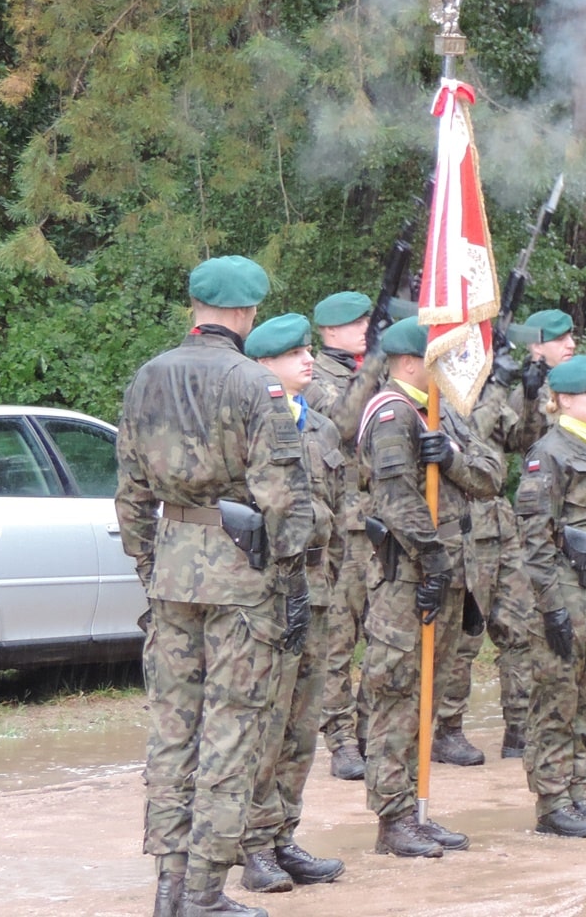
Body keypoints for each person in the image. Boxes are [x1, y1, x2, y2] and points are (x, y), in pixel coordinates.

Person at [115, 255, 317, 917]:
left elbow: (130, 494)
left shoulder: (147, 377)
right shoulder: (254, 384)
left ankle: (169, 889)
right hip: (242, 578)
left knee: (173, 733)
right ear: (244, 313)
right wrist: (291, 583)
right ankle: (202, 895)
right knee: (232, 732)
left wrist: (151, 570)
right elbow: (283, 498)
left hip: (173, 573)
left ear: (197, 308)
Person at [355, 318, 504, 858]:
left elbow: (492, 475)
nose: (451, 370)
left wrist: (453, 459)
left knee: (429, 695)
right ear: (410, 362)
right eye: (440, 360)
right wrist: (434, 559)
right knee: (398, 695)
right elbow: (396, 500)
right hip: (408, 578)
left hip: (446, 576)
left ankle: (416, 807)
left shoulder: (442, 412)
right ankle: (392, 816)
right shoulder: (393, 413)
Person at [239, 313, 348, 893]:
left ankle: (284, 834)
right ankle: (253, 844)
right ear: (263, 365)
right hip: (271, 591)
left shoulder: (323, 429)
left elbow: (339, 511)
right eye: (292, 354)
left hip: (318, 588)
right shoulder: (250, 422)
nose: (308, 360)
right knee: (267, 720)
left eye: (308, 349)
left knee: (303, 725)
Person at [514, 354, 586, 837]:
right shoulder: (550, 453)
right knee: (556, 700)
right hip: (567, 591)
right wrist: (551, 607)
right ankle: (551, 801)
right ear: (563, 400)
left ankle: (577, 792)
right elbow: (535, 539)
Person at [433, 344, 547, 766]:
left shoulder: (489, 395)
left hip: (501, 523)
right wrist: (496, 385)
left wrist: (530, 398)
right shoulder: (441, 400)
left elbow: (525, 441)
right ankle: (447, 728)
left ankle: (520, 725)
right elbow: (470, 442)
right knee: (464, 636)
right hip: (466, 528)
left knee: (520, 626)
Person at [305, 291, 384, 784]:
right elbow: (344, 425)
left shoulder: (379, 374)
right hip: (345, 529)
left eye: (368, 322)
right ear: (330, 330)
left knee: (383, 637)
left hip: (384, 521)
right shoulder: (315, 379)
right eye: (357, 324)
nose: (365, 330)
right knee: (338, 639)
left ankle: (374, 730)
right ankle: (340, 738)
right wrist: (373, 365)